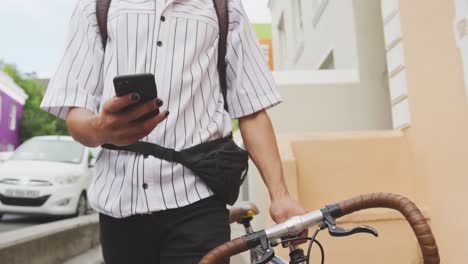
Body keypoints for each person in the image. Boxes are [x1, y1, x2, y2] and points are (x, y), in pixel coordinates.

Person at [40, 0, 307, 263]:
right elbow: (76, 114)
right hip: (118, 203)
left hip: (198, 200)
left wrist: (280, 196)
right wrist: (101, 129)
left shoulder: (224, 8)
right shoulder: (97, 7)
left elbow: (252, 109)